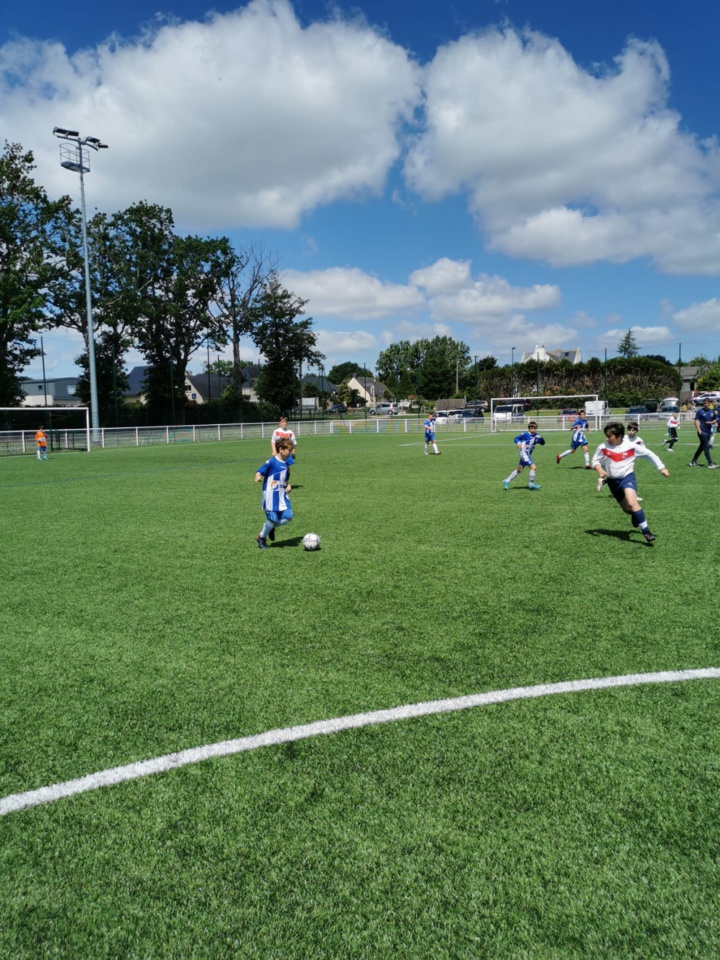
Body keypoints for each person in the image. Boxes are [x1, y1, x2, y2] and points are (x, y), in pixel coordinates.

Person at [591, 421, 669, 543]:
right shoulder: (602, 447)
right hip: (613, 482)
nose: (607, 438)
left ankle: (646, 532)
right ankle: (634, 514)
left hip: (627, 478)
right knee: (627, 509)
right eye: (606, 436)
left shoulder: (631, 446)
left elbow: (650, 454)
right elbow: (594, 461)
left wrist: (661, 467)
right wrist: (599, 469)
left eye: (610, 436)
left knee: (632, 502)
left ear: (619, 436)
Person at [254, 438, 294, 549]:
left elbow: (284, 478)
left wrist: (288, 485)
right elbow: (260, 471)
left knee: (288, 517)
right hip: (271, 495)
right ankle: (261, 538)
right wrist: (258, 476)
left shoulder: (286, 464)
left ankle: (270, 528)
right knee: (272, 520)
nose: (290, 453)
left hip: (282, 495)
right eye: (288, 450)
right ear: (281, 449)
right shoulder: (272, 461)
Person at [503, 421, 545, 490]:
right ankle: (531, 484)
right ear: (529, 428)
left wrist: (541, 438)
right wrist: (518, 442)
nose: (532, 429)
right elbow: (516, 438)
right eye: (531, 428)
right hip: (524, 453)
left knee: (520, 469)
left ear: (536, 428)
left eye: (534, 428)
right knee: (533, 467)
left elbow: (543, 443)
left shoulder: (537, 436)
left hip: (527, 454)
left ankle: (506, 481)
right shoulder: (525, 434)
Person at [689, 398, 718, 468]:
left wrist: (712, 422)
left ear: (709, 404)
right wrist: (699, 430)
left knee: (701, 447)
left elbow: (716, 419)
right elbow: (696, 421)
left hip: (708, 432)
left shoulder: (712, 411)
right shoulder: (700, 411)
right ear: (703, 404)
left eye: (707, 403)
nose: (706, 405)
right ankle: (710, 463)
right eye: (705, 403)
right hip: (702, 432)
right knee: (706, 447)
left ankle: (693, 462)